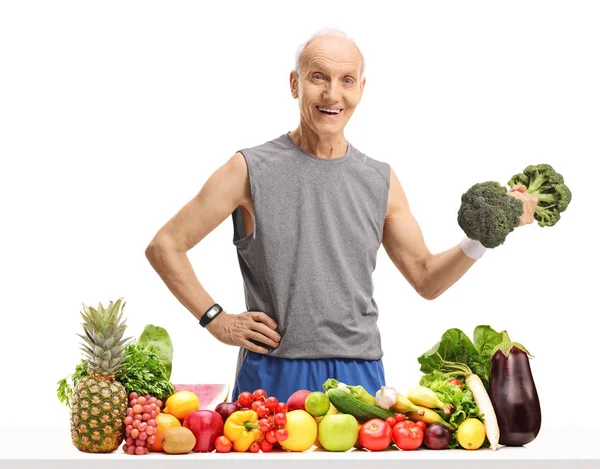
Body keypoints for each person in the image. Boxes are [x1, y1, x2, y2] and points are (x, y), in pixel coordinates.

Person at [145, 28, 538, 403]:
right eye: (319, 77)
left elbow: (426, 278)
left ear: (361, 89)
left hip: (360, 375)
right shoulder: (248, 169)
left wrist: (487, 234)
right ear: (295, 84)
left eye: (347, 80)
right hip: (273, 370)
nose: (332, 94)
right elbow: (165, 246)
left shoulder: (379, 179)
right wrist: (218, 321)